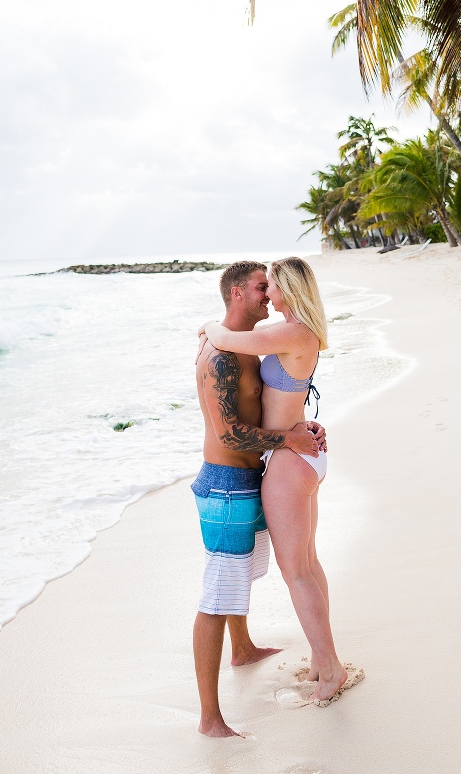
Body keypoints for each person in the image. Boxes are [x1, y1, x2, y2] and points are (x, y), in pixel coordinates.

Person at [202, 256, 363, 707]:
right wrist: (303, 425)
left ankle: (329, 669)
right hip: (302, 453)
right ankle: (321, 659)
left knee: (297, 573)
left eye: (270, 285)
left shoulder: (291, 331)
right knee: (308, 565)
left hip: (290, 461)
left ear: (286, 289)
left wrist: (206, 327)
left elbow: (226, 337)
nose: (266, 292)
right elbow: (287, 391)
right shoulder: (300, 332)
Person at [193, 260, 326, 737]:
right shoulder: (221, 357)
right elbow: (228, 431)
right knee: (217, 594)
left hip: (250, 477)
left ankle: (243, 648)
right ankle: (210, 719)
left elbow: (274, 400)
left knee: (241, 575)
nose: (268, 293)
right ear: (236, 294)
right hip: (225, 485)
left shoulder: (251, 345)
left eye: (270, 285)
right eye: (259, 287)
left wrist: (295, 427)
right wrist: (287, 442)